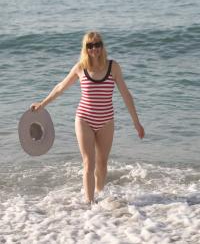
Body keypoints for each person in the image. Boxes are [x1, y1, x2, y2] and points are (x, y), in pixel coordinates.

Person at [31, 31, 145, 204]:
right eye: (90, 45)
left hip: (106, 121)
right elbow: (61, 87)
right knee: (88, 163)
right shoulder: (80, 68)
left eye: (97, 44)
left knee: (102, 163)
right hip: (84, 119)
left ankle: (99, 195)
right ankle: (90, 206)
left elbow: (126, 95)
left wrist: (136, 123)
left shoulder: (113, 67)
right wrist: (43, 103)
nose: (94, 49)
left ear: (102, 46)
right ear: (85, 48)